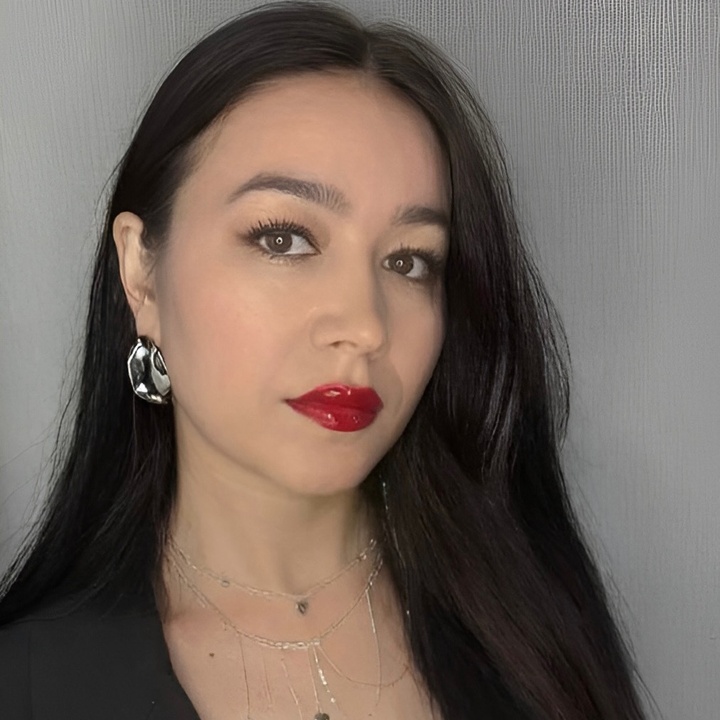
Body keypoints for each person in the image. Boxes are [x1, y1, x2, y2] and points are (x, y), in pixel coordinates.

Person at [0, 2, 647, 719]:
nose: (365, 326)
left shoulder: (531, 630)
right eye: (284, 239)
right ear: (142, 275)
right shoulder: (32, 685)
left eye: (409, 260)